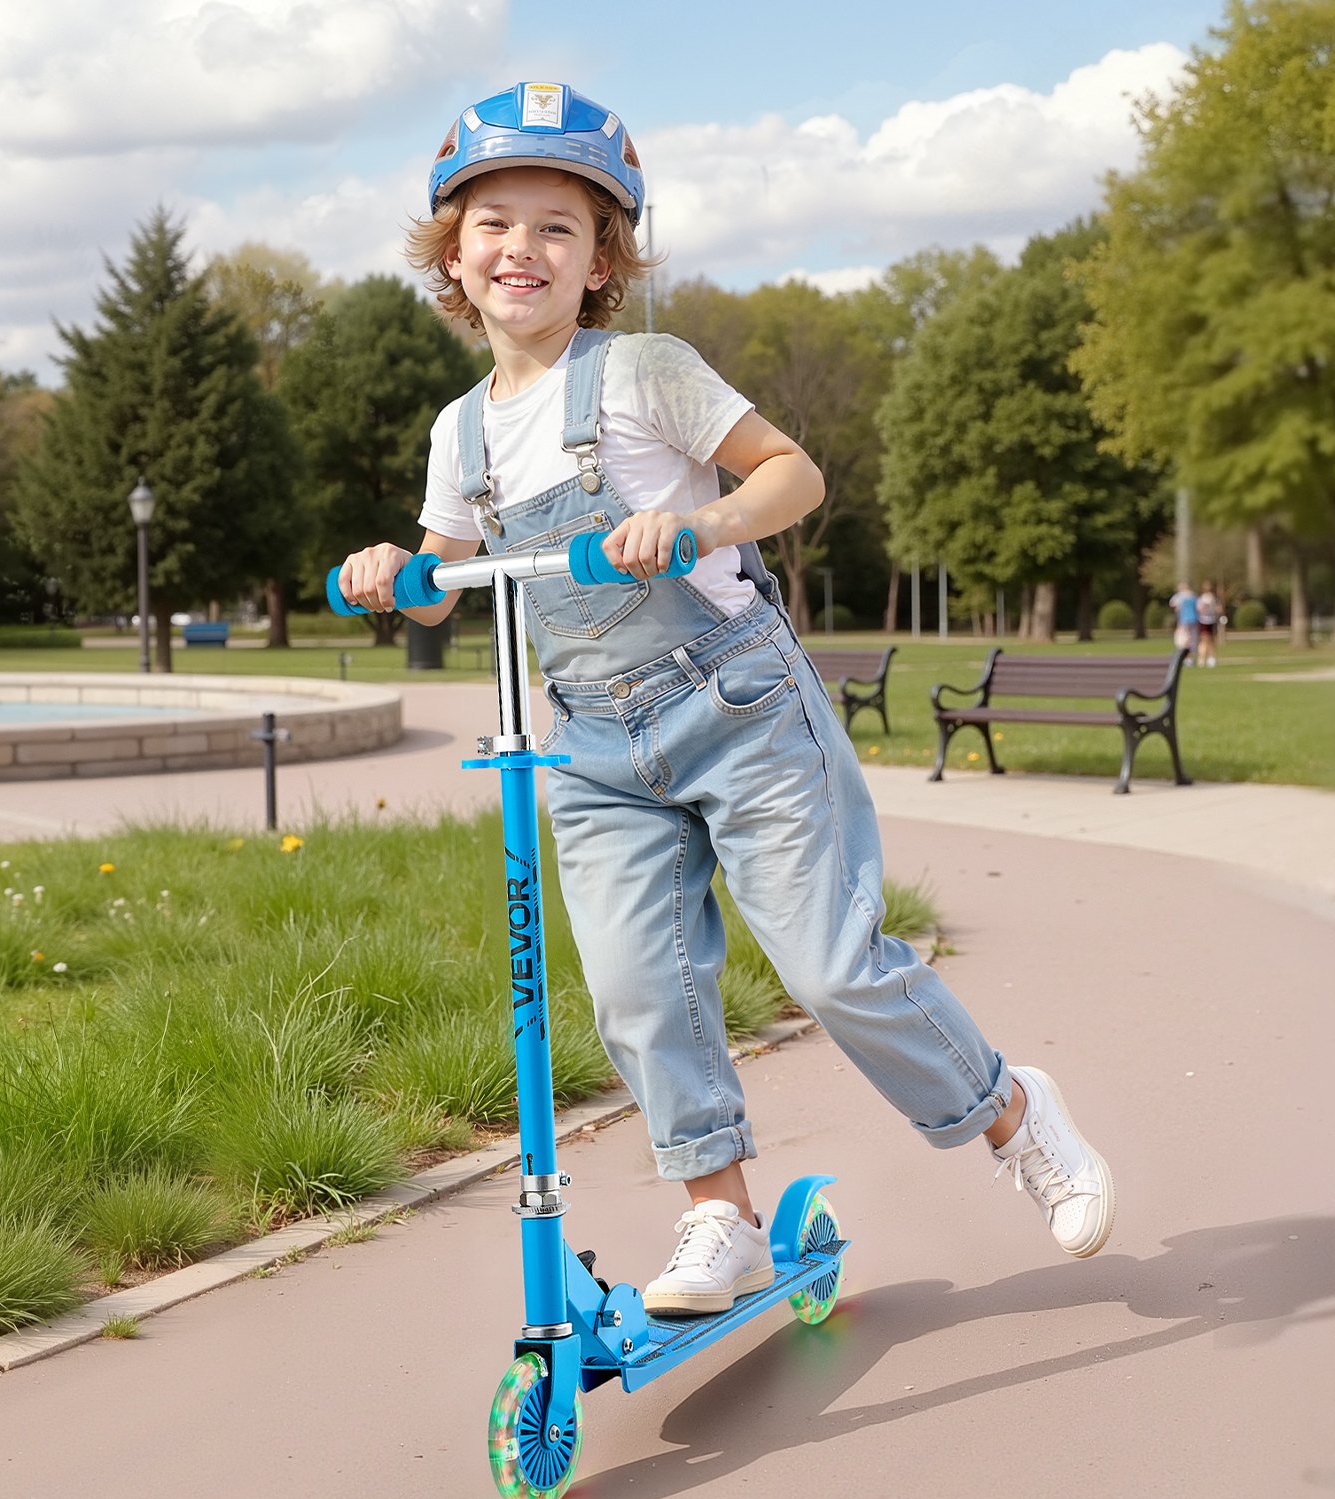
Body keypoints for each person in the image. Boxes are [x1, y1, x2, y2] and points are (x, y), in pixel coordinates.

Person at [338, 82, 1114, 1316]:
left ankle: (1012, 1114)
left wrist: (693, 519)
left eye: (556, 225)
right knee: (642, 990)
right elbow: (440, 585)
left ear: (602, 260)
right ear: (452, 252)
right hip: (591, 742)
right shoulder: (460, 433)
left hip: (737, 708)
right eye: (492, 222)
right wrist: (395, 571)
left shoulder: (645, 370)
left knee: (832, 969)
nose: (519, 248)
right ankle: (722, 1220)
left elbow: (792, 475)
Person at [1170, 580, 1199, 661]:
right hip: (1194, 619)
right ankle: (1191, 657)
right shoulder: (1194, 596)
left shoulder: (1180, 596)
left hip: (1184, 620)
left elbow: (1173, 605)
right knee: (1192, 638)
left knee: (1183, 639)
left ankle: (1186, 657)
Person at [1195, 580, 1221, 667]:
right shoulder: (1204, 598)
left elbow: (1218, 609)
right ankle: (1204, 658)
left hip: (1210, 620)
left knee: (1210, 640)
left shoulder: (1211, 598)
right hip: (1204, 621)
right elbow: (1201, 609)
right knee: (1206, 640)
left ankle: (1209, 658)